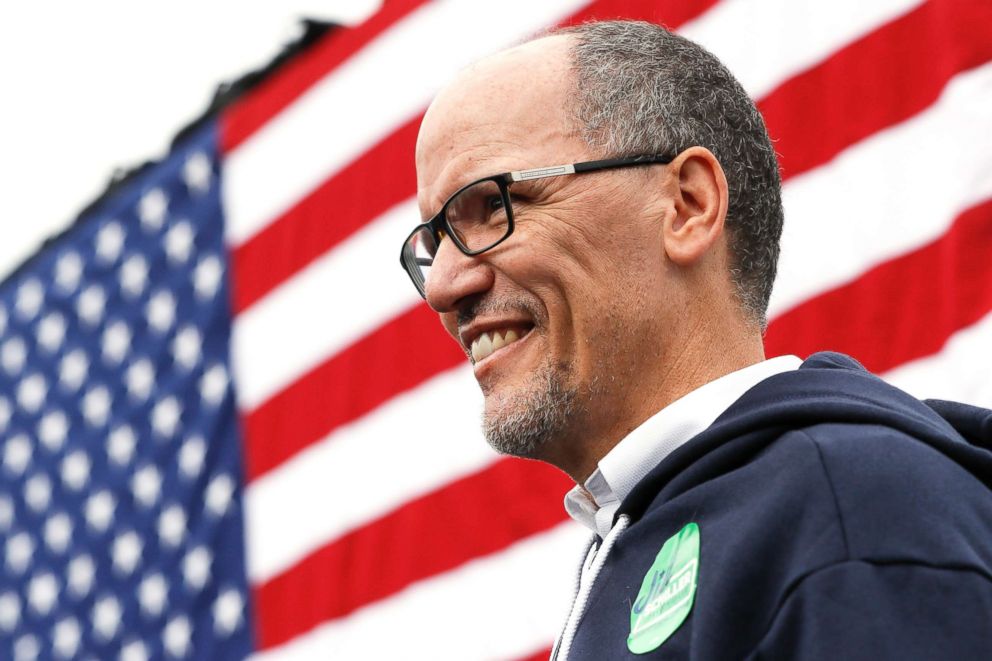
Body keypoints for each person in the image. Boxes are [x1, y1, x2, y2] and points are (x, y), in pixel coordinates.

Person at [399, 20, 992, 660]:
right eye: (433, 245)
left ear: (687, 204)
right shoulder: (675, 531)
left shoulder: (850, 512)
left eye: (492, 205)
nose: (444, 287)